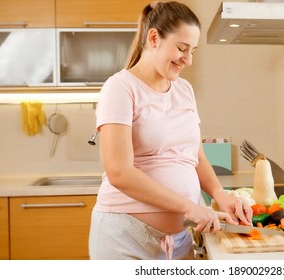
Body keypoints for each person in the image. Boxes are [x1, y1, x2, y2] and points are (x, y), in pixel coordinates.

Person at [88, 1, 253, 260]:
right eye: (181, 48)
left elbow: (196, 158)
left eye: (193, 51)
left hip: (181, 241)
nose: (188, 60)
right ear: (154, 38)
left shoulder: (184, 90)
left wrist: (221, 194)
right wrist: (189, 206)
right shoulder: (120, 88)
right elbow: (119, 172)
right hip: (125, 239)